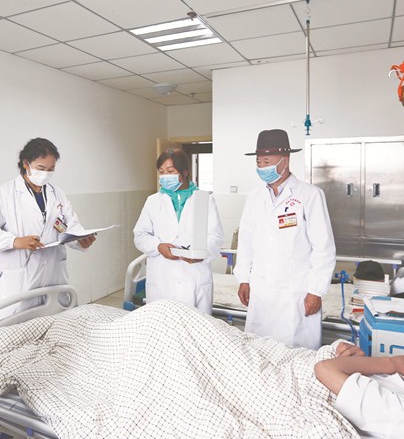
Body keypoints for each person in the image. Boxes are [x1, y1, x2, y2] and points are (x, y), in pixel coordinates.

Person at [0, 138, 95, 319]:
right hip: (20, 283)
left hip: (54, 279)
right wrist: (14, 241)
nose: (46, 174)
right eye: (41, 168)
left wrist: (80, 240)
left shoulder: (57, 194)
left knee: (55, 325)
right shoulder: (3, 195)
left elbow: (71, 225)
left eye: (51, 169)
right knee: (17, 327)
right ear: (26, 164)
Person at [234, 129, 336, 349]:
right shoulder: (254, 198)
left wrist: (316, 291)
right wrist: (243, 278)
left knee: (296, 353)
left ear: (285, 160)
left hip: (295, 292)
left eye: (267, 162)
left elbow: (323, 247)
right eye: (259, 162)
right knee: (259, 351)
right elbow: (245, 241)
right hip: (261, 290)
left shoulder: (309, 195)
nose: (262, 167)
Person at [133, 150, 224, 313]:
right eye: (161, 172)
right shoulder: (153, 201)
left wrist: (201, 253)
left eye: (170, 171)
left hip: (195, 277)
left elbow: (216, 236)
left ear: (185, 172)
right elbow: (140, 235)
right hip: (162, 279)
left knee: (195, 325)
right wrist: (158, 246)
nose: (165, 177)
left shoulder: (205, 200)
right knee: (162, 324)